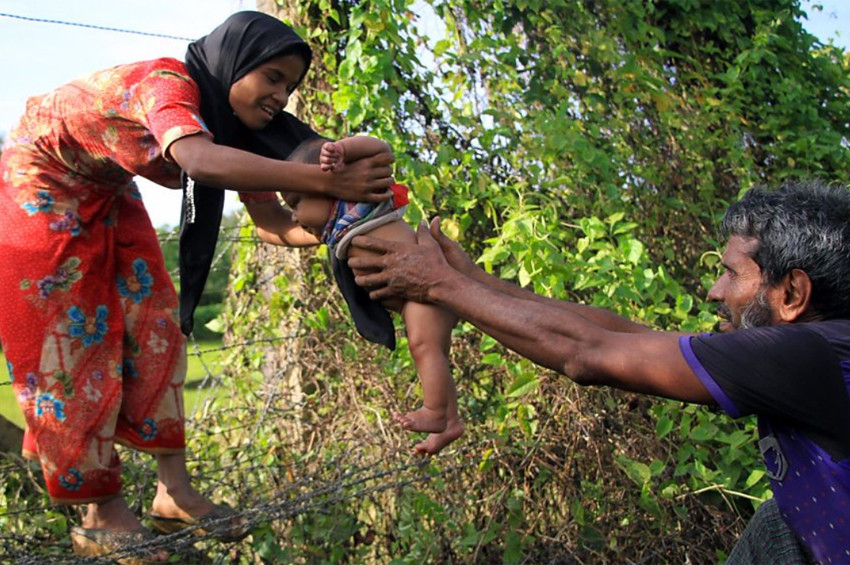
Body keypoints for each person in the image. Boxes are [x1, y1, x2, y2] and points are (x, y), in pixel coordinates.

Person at [0, 10, 394, 562]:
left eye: (291, 86)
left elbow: (273, 224)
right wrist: (321, 179)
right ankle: (99, 514)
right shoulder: (168, 84)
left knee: (157, 319)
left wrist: (342, 226)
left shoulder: (237, 131)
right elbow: (198, 160)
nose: (282, 96)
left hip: (105, 187)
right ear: (235, 61)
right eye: (273, 77)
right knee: (67, 342)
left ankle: (173, 492)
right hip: (36, 182)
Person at [348, 180, 850, 564]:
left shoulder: (806, 355)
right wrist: (472, 281)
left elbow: (586, 353)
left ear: (791, 295)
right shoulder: (817, 346)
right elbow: (625, 336)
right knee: (775, 522)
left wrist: (438, 286)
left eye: (732, 274)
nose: (715, 292)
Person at [260, 135, 462, 455]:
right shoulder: (334, 227)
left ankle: (436, 411)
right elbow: (272, 229)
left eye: (296, 202)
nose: (295, 216)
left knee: (424, 347)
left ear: (327, 183)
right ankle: (449, 421)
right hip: (412, 301)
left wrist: (344, 151)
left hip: (424, 291)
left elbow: (382, 149)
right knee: (432, 355)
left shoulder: (360, 199)